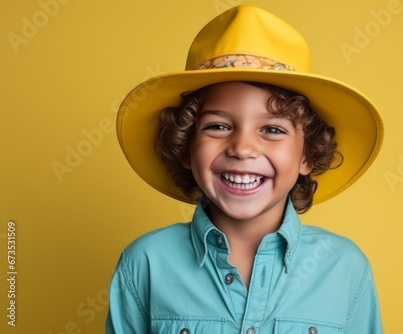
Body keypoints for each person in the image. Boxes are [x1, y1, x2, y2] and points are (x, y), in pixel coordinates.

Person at [106, 5, 384, 333]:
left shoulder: (345, 267)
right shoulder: (146, 262)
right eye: (218, 126)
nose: (242, 148)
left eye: (273, 129)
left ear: (307, 155)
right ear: (185, 147)